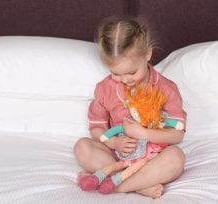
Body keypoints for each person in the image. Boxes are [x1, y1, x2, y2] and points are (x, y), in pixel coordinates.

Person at [73, 16, 187, 199]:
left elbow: (178, 134)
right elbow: (96, 128)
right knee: (82, 147)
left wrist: (145, 134)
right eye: (116, 73)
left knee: (176, 158)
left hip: (151, 159)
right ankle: (139, 186)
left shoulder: (166, 88)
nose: (125, 80)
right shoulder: (105, 89)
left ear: (148, 54)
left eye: (132, 72)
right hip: (117, 159)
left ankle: (115, 185)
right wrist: (112, 142)